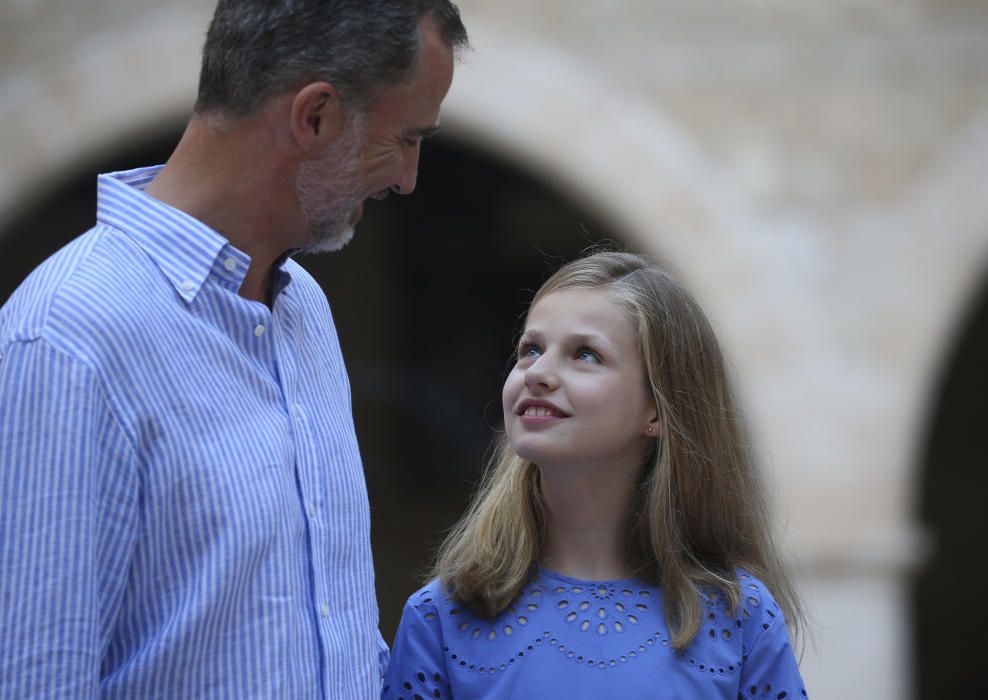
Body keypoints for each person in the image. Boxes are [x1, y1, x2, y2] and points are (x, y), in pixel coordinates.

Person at [0, 1, 467, 698]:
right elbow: (36, 678)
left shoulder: (303, 308)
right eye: (405, 138)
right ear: (316, 116)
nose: (408, 178)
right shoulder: (67, 337)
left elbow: (332, 641)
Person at [383, 251, 808, 699]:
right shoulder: (442, 617)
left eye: (585, 354)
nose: (539, 373)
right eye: (530, 349)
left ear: (659, 408)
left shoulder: (740, 618)